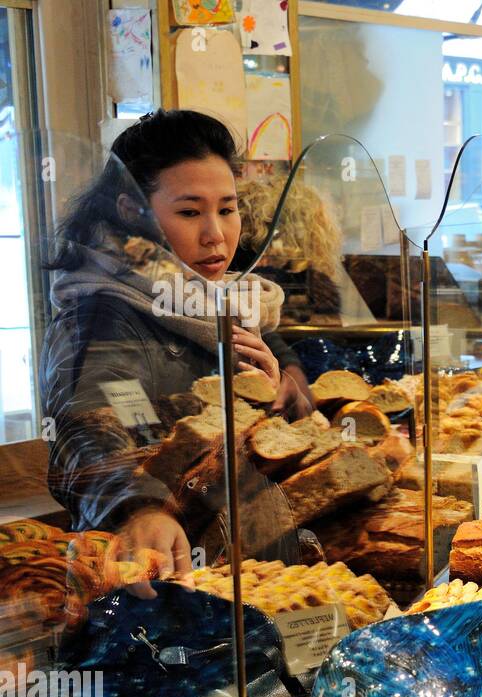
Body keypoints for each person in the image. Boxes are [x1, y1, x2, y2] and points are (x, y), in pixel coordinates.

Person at [41, 109, 309, 581]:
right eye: (189, 212)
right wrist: (142, 509)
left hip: (254, 568)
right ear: (130, 212)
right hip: (161, 578)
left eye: (227, 209)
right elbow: (90, 432)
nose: (216, 233)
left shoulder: (226, 298)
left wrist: (282, 396)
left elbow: (288, 398)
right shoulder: (101, 312)